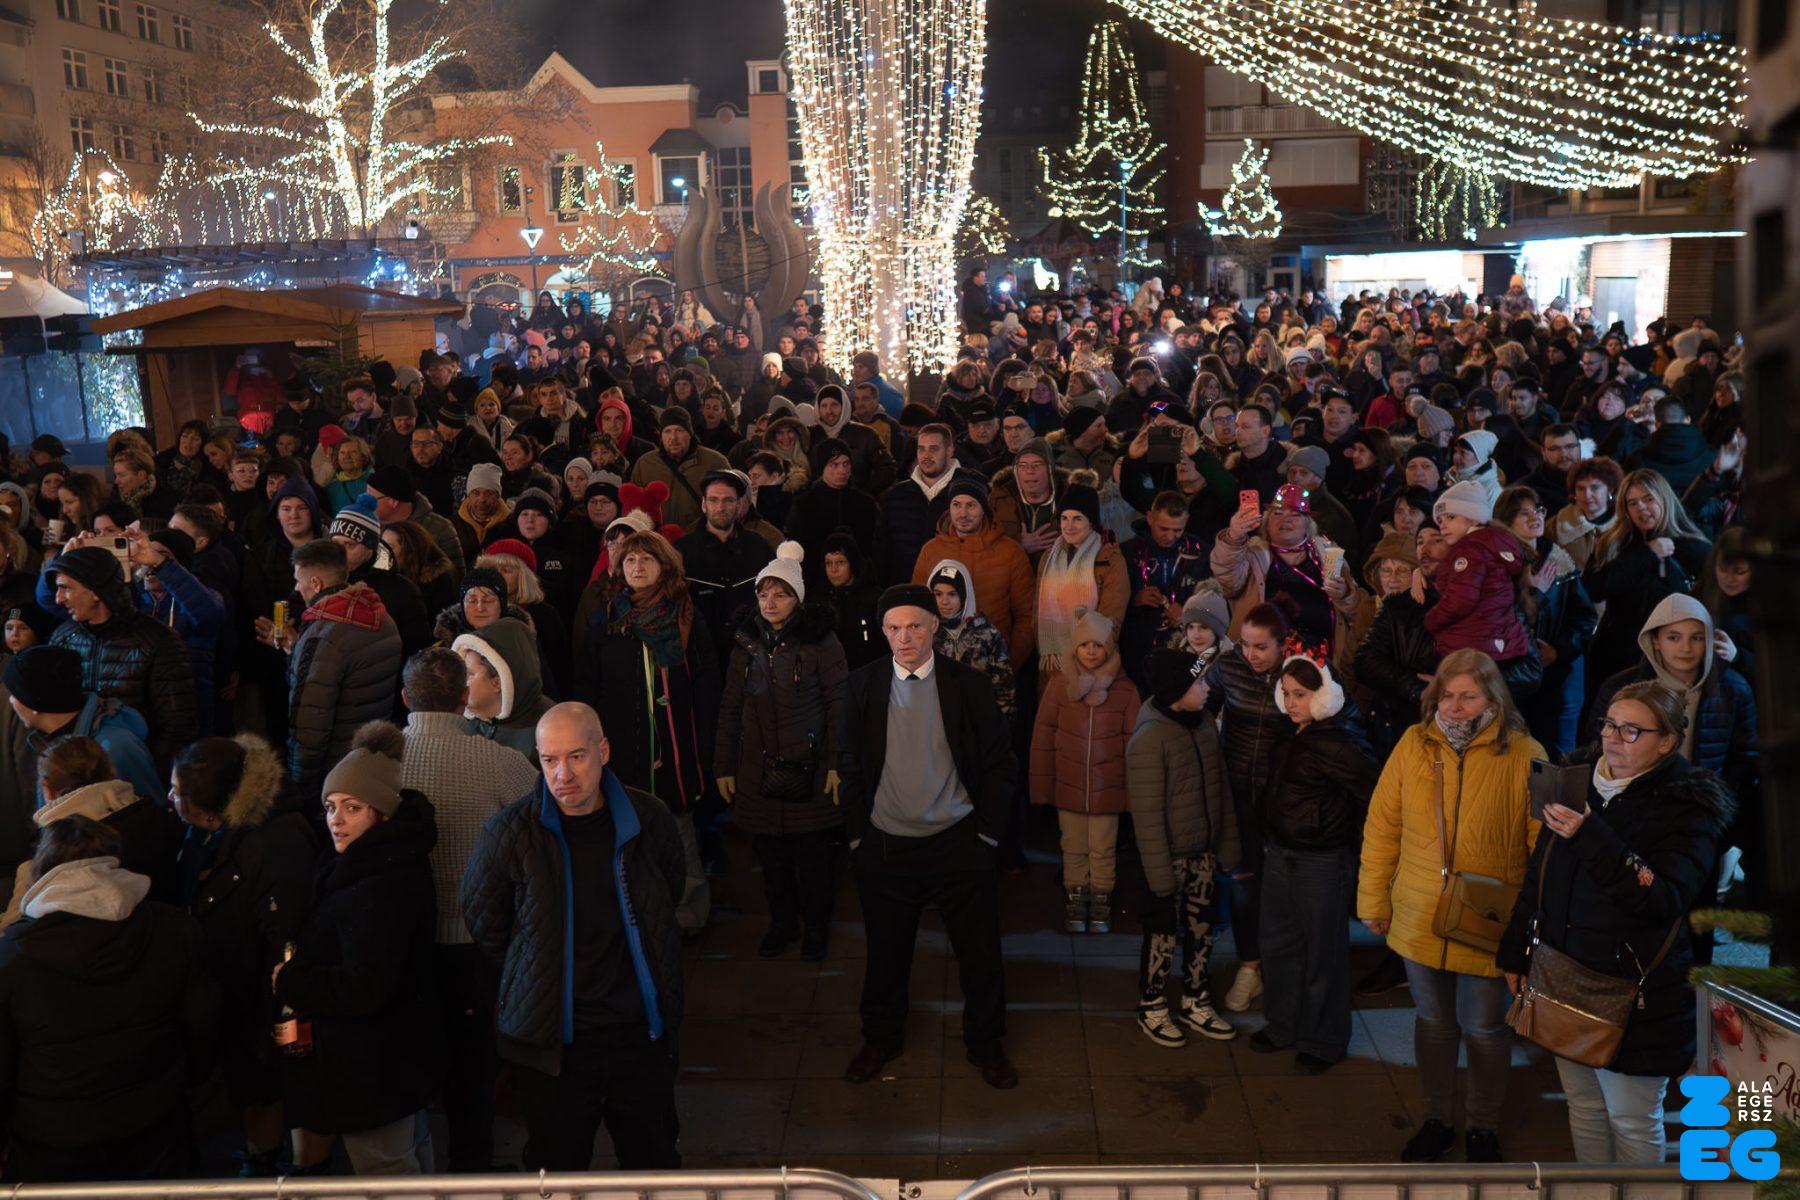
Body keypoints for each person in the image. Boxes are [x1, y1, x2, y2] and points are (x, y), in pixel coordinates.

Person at [1499, 682, 1735, 1164]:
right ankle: (1596, 1192)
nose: (1612, 738)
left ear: (1666, 742)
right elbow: (1540, 873)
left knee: (1631, 1119)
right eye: (1609, 724)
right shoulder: (1575, 780)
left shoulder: (1688, 806)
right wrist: (1515, 947)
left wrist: (1590, 832)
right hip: (1564, 977)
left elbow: (1661, 898)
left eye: (1632, 731)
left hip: (1635, 996)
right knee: (1584, 1107)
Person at [460, 702, 687, 1169]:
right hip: (553, 1047)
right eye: (549, 760)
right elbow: (486, 924)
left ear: (603, 751)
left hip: (638, 1036)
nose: (563, 774)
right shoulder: (508, 833)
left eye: (577, 757)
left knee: (654, 1166)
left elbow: (668, 893)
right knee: (556, 1172)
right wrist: (535, 970)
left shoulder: (649, 819)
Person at [1358, 650, 1545, 1163]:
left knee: (1484, 1029)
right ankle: (1437, 1119)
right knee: (1434, 1023)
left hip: (1488, 919)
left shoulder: (1525, 752)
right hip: (1419, 911)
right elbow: (1383, 825)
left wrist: (1530, 925)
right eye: (1447, 695)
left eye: (1469, 696)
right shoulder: (1413, 744)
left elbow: (1541, 846)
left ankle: (1483, 1126)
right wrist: (1373, 898)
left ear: (1494, 698)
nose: (1456, 706)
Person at [838, 584, 1018, 1089]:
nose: (905, 638)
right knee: (885, 955)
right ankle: (880, 1039)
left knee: (980, 954)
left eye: (915, 626)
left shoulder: (968, 686)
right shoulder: (861, 685)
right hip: (886, 845)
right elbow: (849, 765)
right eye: (894, 628)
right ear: (882, 631)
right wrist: (858, 839)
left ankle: (986, 1043)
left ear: (935, 626)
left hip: (958, 842)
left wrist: (987, 836)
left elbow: (1000, 763)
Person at [0, 816, 217, 1182]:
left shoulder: (12, 960)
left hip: (52, 1146)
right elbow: (202, 1026)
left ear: (42, 872)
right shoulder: (175, 930)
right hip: (157, 1126)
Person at [394, 648, 537, 1172]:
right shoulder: (500, 763)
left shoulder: (377, 764)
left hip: (403, 942)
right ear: (463, 699)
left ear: (405, 698)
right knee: (473, 1068)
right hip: (478, 942)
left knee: (409, 1057)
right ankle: (471, 1168)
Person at [275, 723, 440, 1176]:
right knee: (408, 1156)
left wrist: (291, 981)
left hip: (373, 1065)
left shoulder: (378, 884)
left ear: (382, 813)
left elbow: (365, 988)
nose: (336, 819)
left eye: (353, 808)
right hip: (384, 1055)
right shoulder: (372, 863)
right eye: (331, 807)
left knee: (386, 1173)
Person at [168, 733, 318, 1177]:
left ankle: (280, 1166)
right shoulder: (215, 835)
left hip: (268, 997)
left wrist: (275, 1013)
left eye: (176, 791)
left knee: (273, 1082)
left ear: (206, 808)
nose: (169, 798)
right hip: (239, 989)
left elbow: (284, 935)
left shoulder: (272, 844)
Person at [574, 531, 718, 937]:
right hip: (624, 744)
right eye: (630, 560)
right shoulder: (606, 618)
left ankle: (688, 915)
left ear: (664, 566)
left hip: (676, 743)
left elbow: (707, 682)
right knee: (627, 833)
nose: (637, 567)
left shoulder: (686, 615)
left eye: (646, 559)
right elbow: (588, 683)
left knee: (680, 830)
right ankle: (634, 915)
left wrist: (704, 738)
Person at [716, 544, 848, 961]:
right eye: (763, 594)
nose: (770, 603)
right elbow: (731, 708)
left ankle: (816, 929)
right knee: (772, 861)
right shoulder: (745, 644)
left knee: (813, 861)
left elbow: (839, 706)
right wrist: (724, 766)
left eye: (781, 594)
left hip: (809, 768)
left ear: (798, 599)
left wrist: (836, 763)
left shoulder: (821, 643)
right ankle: (782, 924)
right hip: (758, 770)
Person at [1253, 655, 1378, 1072]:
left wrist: (1351, 845)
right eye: (1286, 693)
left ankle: (1324, 1041)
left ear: (1324, 697)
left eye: (1301, 694)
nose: (1291, 702)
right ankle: (1283, 1025)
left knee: (1323, 952)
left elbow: (1375, 797)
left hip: (1321, 861)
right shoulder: (1292, 733)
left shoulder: (1340, 742)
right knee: (1279, 944)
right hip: (1280, 854)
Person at [1128, 647, 1239, 1046]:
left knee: (1202, 928)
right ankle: (1152, 1004)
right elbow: (1146, 816)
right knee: (1162, 934)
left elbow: (1220, 790)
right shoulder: (1150, 738)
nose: (1207, 687)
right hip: (1170, 860)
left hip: (1204, 853)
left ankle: (1196, 998)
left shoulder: (1204, 724)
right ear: (1177, 691)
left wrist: (1227, 846)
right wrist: (1159, 876)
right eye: (1199, 681)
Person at [38, 542, 198, 774]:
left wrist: (151, 776)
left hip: (134, 774)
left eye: (65, 588)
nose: (58, 599)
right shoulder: (63, 637)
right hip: (77, 777)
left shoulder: (158, 641)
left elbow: (178, 727)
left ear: (96, 592)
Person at [259, 539, 402, 798]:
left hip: (332, 772)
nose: (296, 587)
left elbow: (310, 725)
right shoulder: (379, 616)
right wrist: (297, 651)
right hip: (370, 758)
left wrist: (300, 786)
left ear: (316, 583)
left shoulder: (324, 635)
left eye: (298, 580)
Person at [1030, 606, 1139, 934]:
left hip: (1108, 789)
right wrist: (1042, 785)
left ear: (1109, 647)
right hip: (1069, 784)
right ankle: (1076, 896)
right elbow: (1044, 736)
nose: (1091, 651)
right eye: (1084, 644)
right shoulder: (1059, 686)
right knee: (1073, 845)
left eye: (1098, 645)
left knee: (1103, 847)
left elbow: (1134, 745)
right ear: (1074, 647)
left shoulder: (1125, 690)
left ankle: (1101, 896)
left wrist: (1132, 793)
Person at [1583, 469, 1711, 699]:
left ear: (1664, 498)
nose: (1641, 507)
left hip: (1677, 660)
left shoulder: (1694, 548)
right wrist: (1646, 555)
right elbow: (1593, 589)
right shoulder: (1611, 545)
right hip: (1617, 660)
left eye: (1648, 499)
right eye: (1632, 503)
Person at [1497, 486, 1597, 757]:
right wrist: (1533, 593)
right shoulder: (1494, 564)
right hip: (1506, 678)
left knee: (1546, 754)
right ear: (1505, 521)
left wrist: (1559, 651)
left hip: (1550, 680)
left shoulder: (1558, 561)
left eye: (1538, 510)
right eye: (1524, 513)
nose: (1535, 517)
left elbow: (1584, 618)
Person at [1, 643, 161, 806]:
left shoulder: (116, 748)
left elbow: (149, 812)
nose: (11, 701)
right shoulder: (46, 742)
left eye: (15, 694)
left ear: (34, 702)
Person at [910, 478, 1037, 666]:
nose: (963, 513)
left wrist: (1007, 662)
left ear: (984, 509)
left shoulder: (1010, 552)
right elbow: (916, 609)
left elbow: (1027, 615)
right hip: (939, 663)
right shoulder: (931, 550)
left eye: (971, 505)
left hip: (992, 661)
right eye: (956, 505)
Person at [1424, 481, 1532, 672]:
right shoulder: (1489, 545)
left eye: (1450, 517)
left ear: (1473, 519)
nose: (1443, 526)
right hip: (1495, 642)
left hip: (1472, 643)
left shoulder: (1469, 550)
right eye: (1439, 521)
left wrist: (1429, 621)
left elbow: (1460, 600)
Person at [1034, 483, 1128, 682]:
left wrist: (1090, 656)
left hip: (1092, 666)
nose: (1069, 526)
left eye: (1077, 519)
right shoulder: (1049, 557)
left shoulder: (1109, 559)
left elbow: (1111, 617)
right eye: (1064, 518)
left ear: (1091, 522)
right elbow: (1037, 611)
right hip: (1052, 666)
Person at [872, 424, 981, 584]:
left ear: (949, 451)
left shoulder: (972, 491)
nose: (926, 455)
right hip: (905, 588)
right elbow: (882, 550)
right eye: (921, 449)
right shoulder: (895, 495)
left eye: (934, 449)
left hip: (955, 588)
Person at [453, 616, 554, 759]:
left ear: (498, 681)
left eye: (469, 674)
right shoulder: (461, 725)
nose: (460, 682)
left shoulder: (549, 729)